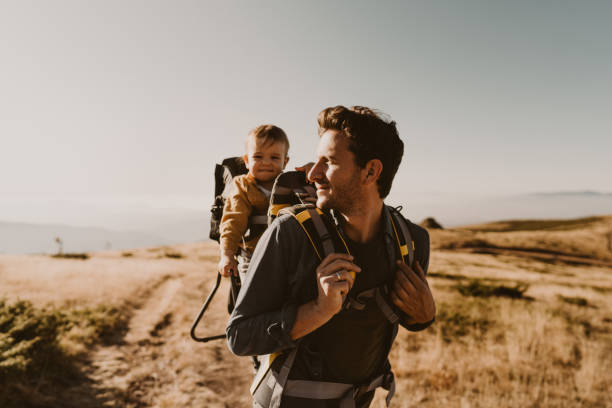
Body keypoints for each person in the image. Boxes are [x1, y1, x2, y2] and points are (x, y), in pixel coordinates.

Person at [226, 106, 436, 408]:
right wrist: (317, 311)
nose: (312, 174)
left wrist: (425, 317)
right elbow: (240, 336)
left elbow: (408, 317)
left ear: (371, 171)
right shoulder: (291, 233)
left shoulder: (412, 242)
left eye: (330, 162)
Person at [217, 124, 290, 281]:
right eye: (258, 157)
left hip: (287, 254)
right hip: (252, 255)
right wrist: (227, 255)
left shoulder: (291, 185)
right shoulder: (243, 186)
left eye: (274, 157)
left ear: (285, 161)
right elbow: (233, 221)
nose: (266, 162)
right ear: (246, 161)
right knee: (254, 295)